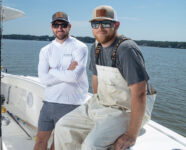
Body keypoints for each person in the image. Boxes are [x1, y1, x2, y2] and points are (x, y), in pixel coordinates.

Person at [54, 5, 156, 150]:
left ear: (116, 25)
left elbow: (140, 93)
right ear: (92, 27)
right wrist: (97, 108)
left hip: (125, 110)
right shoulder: (96, 47)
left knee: (91, 145)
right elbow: (96, 79)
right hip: (102, 104)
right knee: (62, 126)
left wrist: (131, 135)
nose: (100, 28)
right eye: (96, 24)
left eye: (106, 23)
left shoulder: (126, 49)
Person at [34, 11, 89, 150]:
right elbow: (44, 79)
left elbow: (74, 77)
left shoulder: (80, 47)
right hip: (49, 103)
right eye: (56, 25)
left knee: (59, 144)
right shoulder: (45, 50)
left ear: (69, 26)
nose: (59, 28)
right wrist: (66, 72)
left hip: (71, 104)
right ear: (52, 27)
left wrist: (52, 70)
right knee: (40, 140)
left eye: (63, 25)